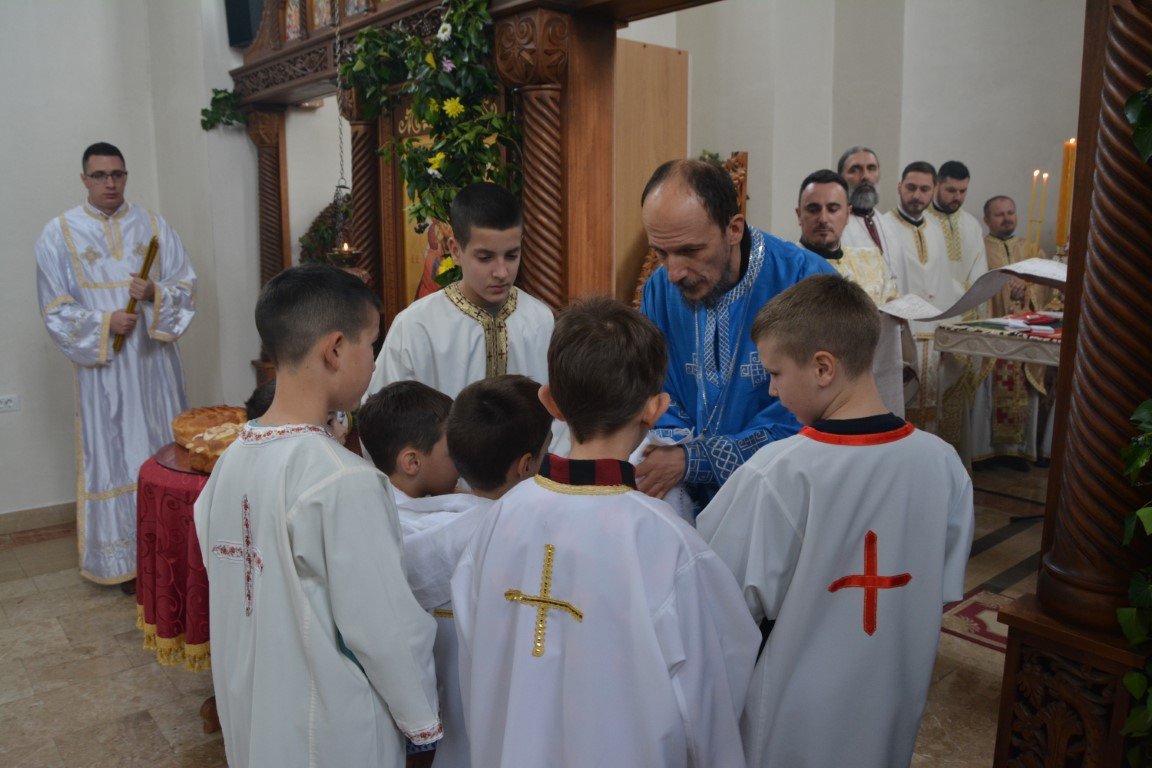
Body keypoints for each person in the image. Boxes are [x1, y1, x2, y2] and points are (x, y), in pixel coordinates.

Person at [451, 297, 760, 768]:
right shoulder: (669, 543)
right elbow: (713, 695)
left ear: (550, 402)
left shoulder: (496, 521)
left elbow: (475, 663)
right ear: (655, 409)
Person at [697, 274, 973, 768]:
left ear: (823, 367)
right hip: (893, 703)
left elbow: (717, 604)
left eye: (776, 373)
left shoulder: (779, 471)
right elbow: (942, 587)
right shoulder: (943, 462)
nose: (772, 390)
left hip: (792, 723)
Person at [194, 264, 441, 768]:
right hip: (330, 728)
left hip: (257, 711)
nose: (374, 360)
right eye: (371, 344)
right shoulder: (343, 479)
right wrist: (422, 721)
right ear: (335, 349)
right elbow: (383, 627)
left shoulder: (230, 461)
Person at [36, 142, 196, 590]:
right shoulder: (59, 233)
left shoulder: (154, 226)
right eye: (100, 175)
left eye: (118, 174)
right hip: (104, 372)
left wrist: (155, 295)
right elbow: (54, 308)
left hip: (154, 367)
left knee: (161, 448)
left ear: (126, 176)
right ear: (84, 179)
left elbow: (186, 285)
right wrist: (107, 322)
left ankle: (169, 552)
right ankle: (126, 559)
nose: (110, 183)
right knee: (115, 456)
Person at [637, 159, 837, 504]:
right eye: (661, 253)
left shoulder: (805, 281)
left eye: (690, 251)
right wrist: (675, 450)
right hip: (682, 491)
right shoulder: (658, 290)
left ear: (733, 229)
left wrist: (698, 460)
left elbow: (816, 405)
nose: (673, 273)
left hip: (779, 495)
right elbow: (652, 385)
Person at [401, 374, 554, 768]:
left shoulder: (413, 524)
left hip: (442, 737)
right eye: (547, 450)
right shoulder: (526, 541)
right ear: (526, 465)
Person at [367, 182, 552, 401]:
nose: (502, 272)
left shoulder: (540, 320)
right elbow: (383, 412)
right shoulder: (416, 327)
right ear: (455, 250)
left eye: (512, 256)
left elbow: (560, 411)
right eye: (485, 258)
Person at [796, 169, 905, 416]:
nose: (823, 218)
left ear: (847, 214)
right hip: (811, 398)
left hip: (870, 391)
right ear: (798, 215)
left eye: (833, 209)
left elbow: (892, 310)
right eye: (813, 209)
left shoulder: (871, 259)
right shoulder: (784, 266)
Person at [884, 161, 971, 444]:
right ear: (899, 187)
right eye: (911, 188)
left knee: (930, 411)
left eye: (924, 189)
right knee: (899, 408)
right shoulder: (884, 227)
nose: (917, 195)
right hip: (902, 336)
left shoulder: (934, 229)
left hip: (932, 338)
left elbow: (945, 283)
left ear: (933, 190)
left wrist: (947, 333)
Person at [971, 195, 1057, 466]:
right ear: (986, 220)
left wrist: (1027, 287)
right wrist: (1004, 285)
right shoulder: (979, 249)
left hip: (1024, 337)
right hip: (993, 336)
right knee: (987, 393)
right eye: (999, 214)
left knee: (1023, 393)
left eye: (1010, 212)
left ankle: (1017, 452)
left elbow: (1050, 289)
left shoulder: (1032, 249)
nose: (1006, 218)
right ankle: (985, 452)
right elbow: (975, 285)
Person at [358, 381, 459, 512]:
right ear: (413, 462)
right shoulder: (423, 523)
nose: (462, 459)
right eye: (453, 451)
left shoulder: (376, 506)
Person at [836, 145, 907, 290]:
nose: (865, 176)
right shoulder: (836, 229)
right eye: (855, 169)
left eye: (871, 168)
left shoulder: (890, 225)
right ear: (840, 179)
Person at [929, 160, 989, 295]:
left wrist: (972, 295)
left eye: (963, 191)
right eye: (951, 190)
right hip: (934, 298)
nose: (957, 197)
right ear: (936, 185)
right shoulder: (923, 221)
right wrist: (956, 292)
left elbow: (979, 266)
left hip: (968, 301)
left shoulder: (971, 224)